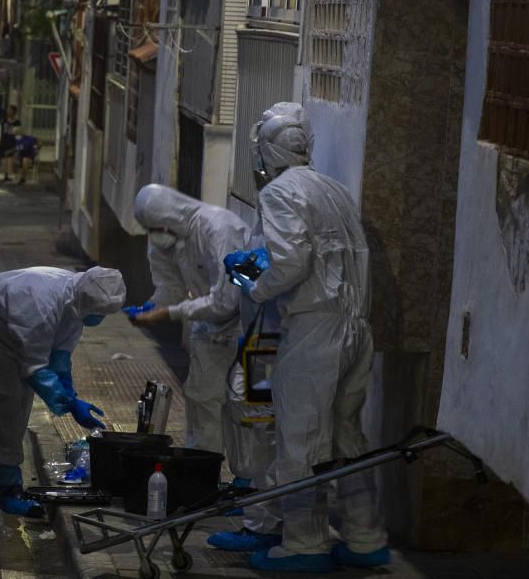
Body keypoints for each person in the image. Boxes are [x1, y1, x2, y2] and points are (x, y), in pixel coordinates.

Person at [227, 103, 389, 573]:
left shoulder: (279, 192)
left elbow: (292, 262)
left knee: (300, 439)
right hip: (357, 326)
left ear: (264, 150)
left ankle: (304, 544)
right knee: (346, 437)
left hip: (316, 328)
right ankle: (364, 539)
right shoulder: (332, 188)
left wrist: (255, 287)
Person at [207, 101, 301, 554]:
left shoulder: (284, 196)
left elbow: (282, 264)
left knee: (259, 423)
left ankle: (261, 518)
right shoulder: (289, 194)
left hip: (276, 334)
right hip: (266, 331)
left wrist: (254, 272)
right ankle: (256, 504)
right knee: (253, 418)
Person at [0, 266, 126, 517]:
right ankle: (4, 490)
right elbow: (36, 367)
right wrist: (69, 403)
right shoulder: (42, 304)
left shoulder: (74, 302)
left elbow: (59, 357)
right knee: (3, 411)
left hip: (15, 336)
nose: (99, 318)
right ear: (88, 302)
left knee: (18, 411)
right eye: (99, 312)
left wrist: (71, 395)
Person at [130, 184, 250, 454]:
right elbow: (169, 287)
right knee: (201, 400)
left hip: (245, 328)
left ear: (172, 215)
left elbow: (227, 300)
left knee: (243, 405)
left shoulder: (218, 228)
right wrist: (151, 306)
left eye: (159, 227)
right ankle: (203, 472)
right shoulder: (166, 238)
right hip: (208, 328)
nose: (156, 235)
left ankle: (249, 482)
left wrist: (169, 313)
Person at [0, 105, 22, 182]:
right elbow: (0, 131)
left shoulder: (17, 122)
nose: (8, 111)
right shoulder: (3, 121)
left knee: (9, 159)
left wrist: (17, 143)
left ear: (14, 112)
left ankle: (7, 175)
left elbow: (17, 133)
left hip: (11, 142)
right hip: (3, 141)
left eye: (10, 110)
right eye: (8, 110)